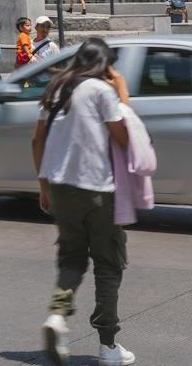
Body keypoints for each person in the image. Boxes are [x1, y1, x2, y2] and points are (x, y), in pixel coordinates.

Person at [33, 37, 136, 366]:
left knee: (71, 258)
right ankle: (108, 346)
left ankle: (58, 317)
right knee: (108, 265)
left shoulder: (55, 89)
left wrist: (44, 186)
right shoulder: (102, 91)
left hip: (61, 187)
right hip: (97, 190)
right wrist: (121, 89)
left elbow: (37, 139)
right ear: (104, 65)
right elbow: (124, 136)